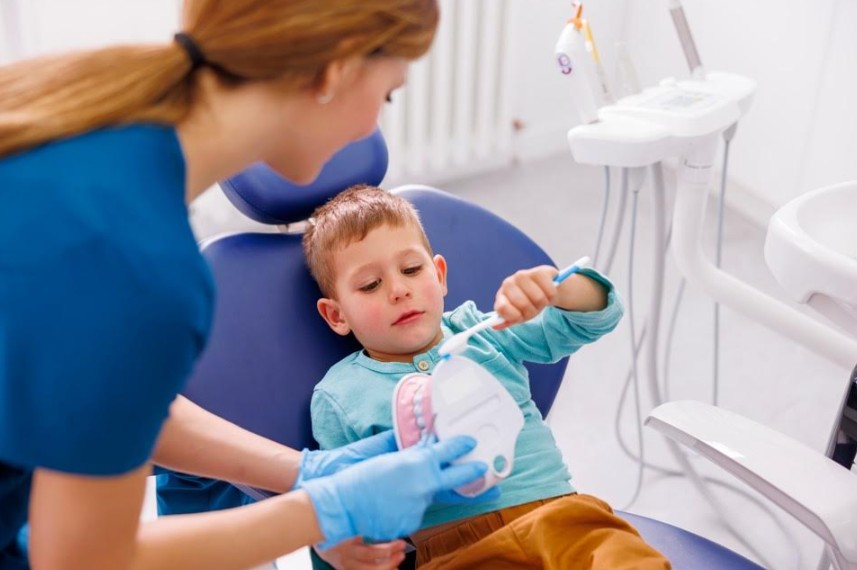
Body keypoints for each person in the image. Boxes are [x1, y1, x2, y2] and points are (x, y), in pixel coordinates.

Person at [0, 1, 495, 568]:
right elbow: (82, 560)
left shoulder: (82, 132)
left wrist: (304, 471)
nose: (371, 129)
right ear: (334, 72)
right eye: (387, 96)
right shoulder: (143, 266)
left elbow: (102, 392)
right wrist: (322, 511)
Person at [303, 185, 671, 569]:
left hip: (566, 521)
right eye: (370, 285)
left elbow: (596, 318)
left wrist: (559, 290)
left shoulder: (487, 331)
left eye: (411, 269)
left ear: (439, 275)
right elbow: (341, 510)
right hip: (459, 553)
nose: (399, 290)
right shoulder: (339, 396)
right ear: (337, 315)